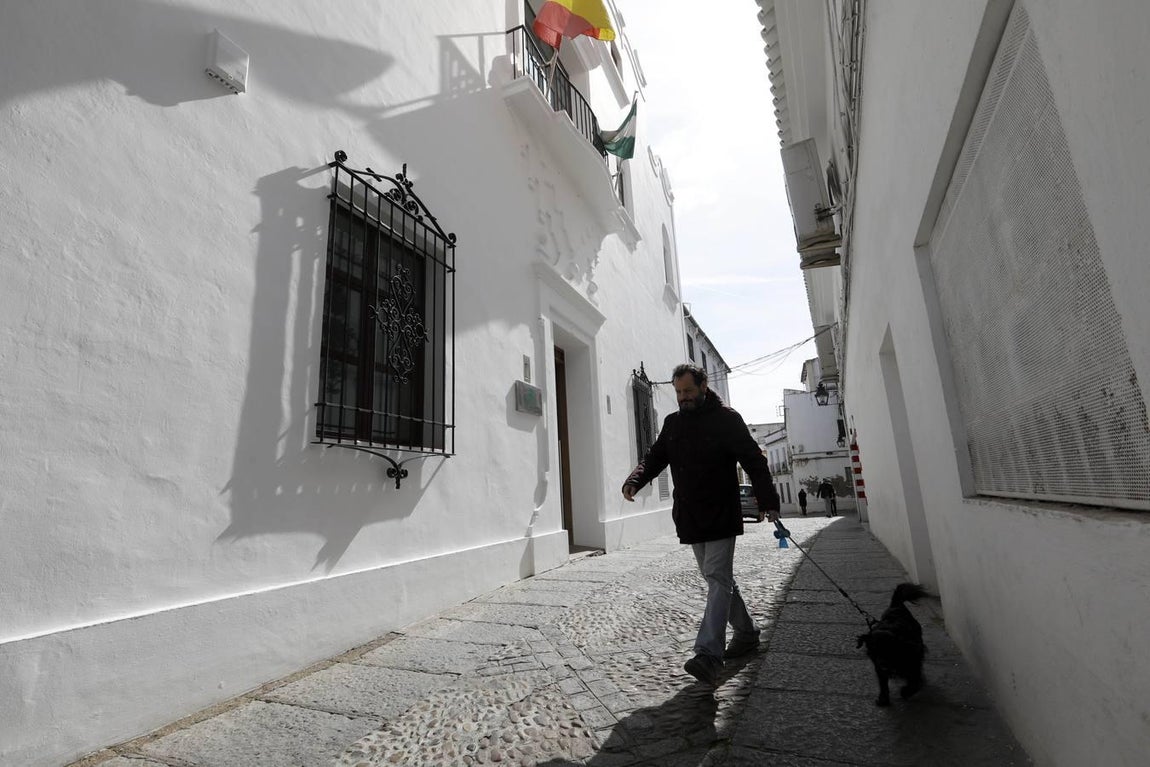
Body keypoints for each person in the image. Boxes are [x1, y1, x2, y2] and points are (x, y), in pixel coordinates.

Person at [622, 363, 780, 687]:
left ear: (704, 386)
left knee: (717, 577)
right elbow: (655, 457)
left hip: (721, 513)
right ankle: (747, 633)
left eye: (688, 391)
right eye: (679, 392)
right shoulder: (673, 423)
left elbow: (754, 460)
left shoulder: (727, 420)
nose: (683, 397)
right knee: (717, 578)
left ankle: (709, 654)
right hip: (690, 515)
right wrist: (635, 479)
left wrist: (768, 502)